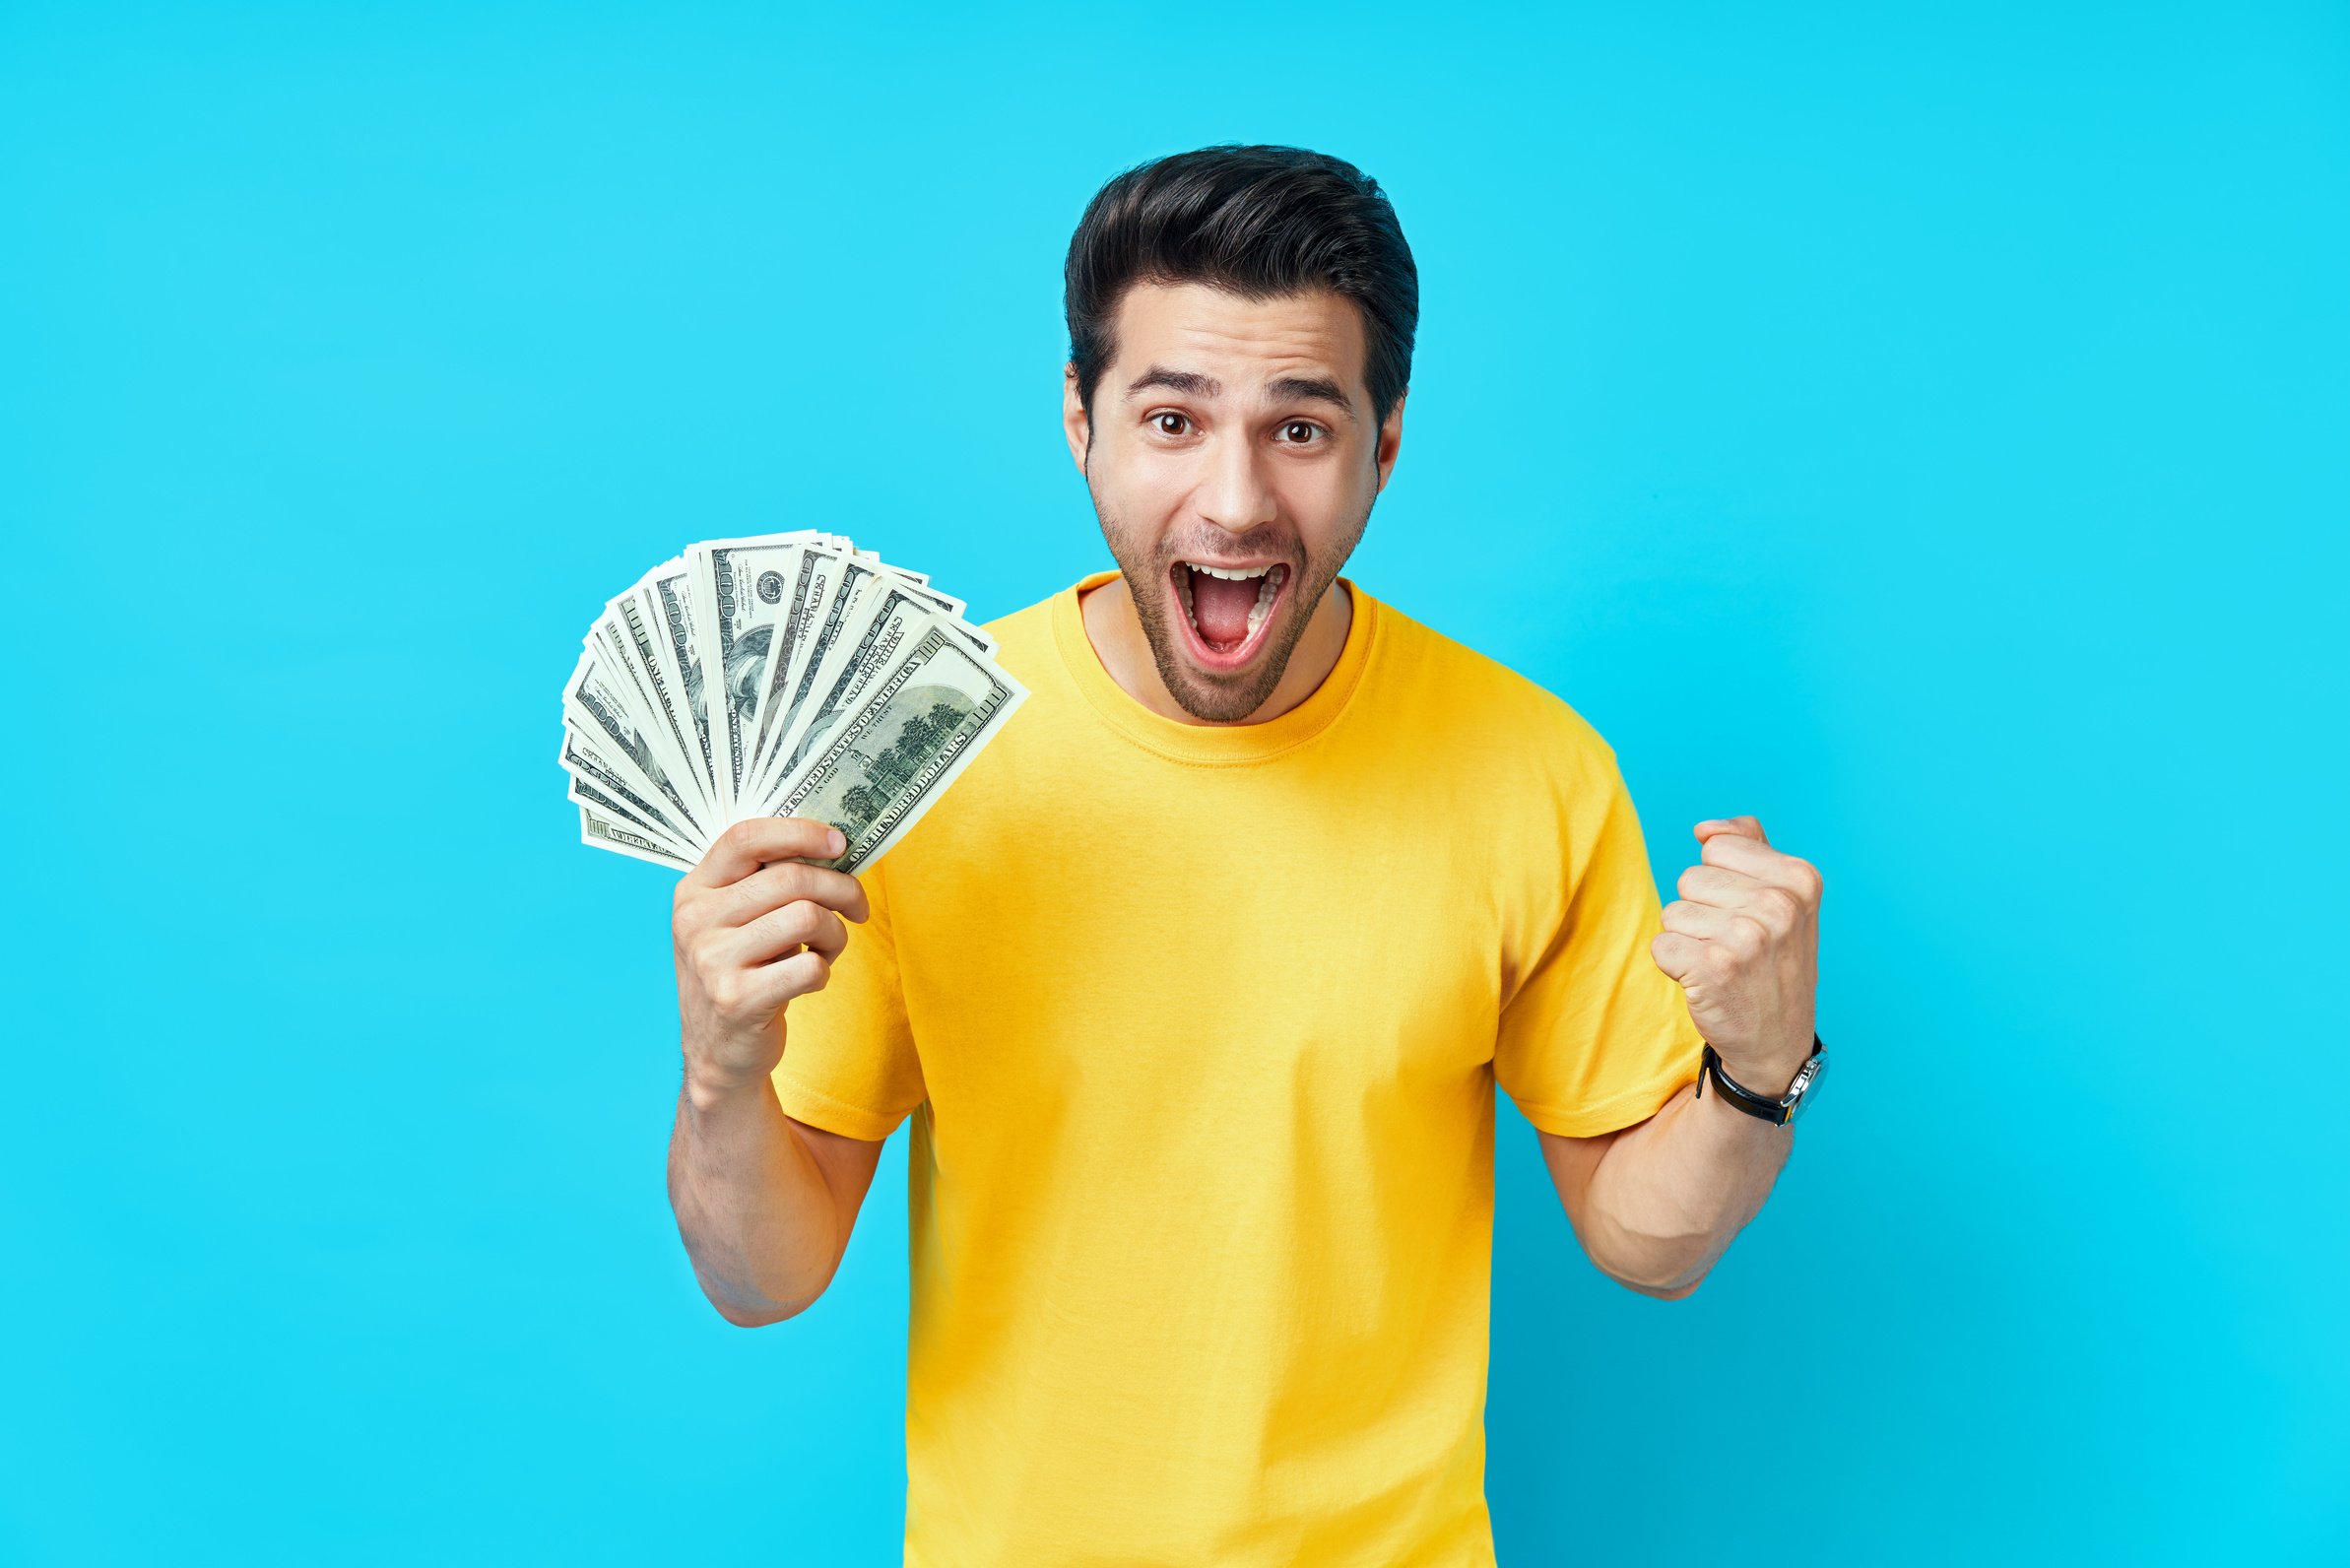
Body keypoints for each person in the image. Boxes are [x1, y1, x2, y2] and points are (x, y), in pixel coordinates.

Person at [665, 143, 1826, 1567]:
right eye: (1169, 420)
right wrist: (722, 1074)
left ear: (1384, 444)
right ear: (1079, 422)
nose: (1231, 502)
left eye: (1298, 427)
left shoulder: (1531, 770)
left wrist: (1754, 1074)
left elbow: (1646, 1241)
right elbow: (762, 1278)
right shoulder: (913, 758)